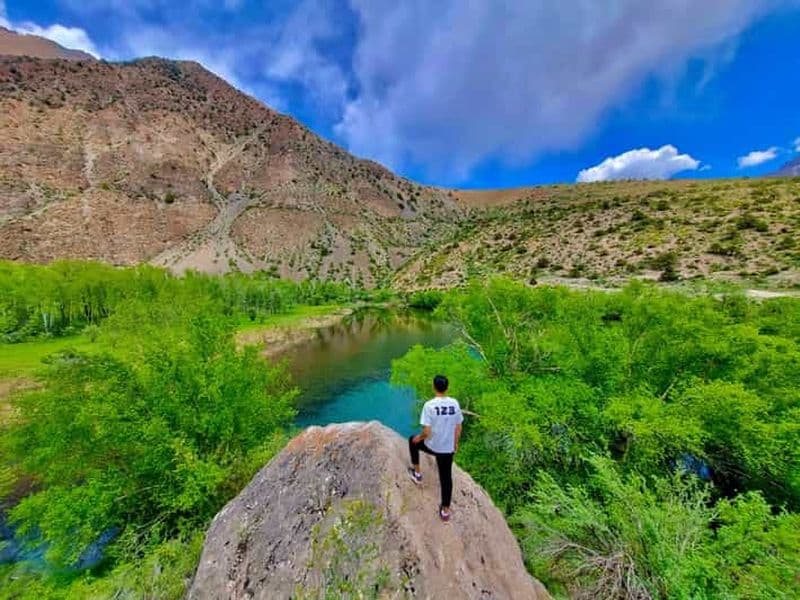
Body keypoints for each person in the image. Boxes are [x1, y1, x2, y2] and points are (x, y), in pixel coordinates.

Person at [408, 374, 463, 522]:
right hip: (447, 449)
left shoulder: (429, 405)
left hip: (432, 446)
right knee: (446, 478)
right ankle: (445, 511)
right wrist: (455, 443)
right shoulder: (454, 403)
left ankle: (417, 474)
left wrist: (419, 438)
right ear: (447, 387)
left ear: (434, 387)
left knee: (412, 441)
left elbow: (426, 432)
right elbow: (458, 427)